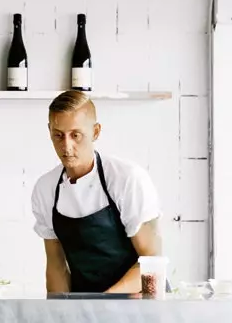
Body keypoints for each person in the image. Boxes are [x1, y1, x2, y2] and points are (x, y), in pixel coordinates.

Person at [31, 90, 163, 293]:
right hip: (86, 308)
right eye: (58, 135)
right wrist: (57, 314)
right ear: (49, 131)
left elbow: (153, 264)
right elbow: (57, 267)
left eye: (76, 135)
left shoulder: (127, 179)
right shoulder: (45, 188)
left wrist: (104, 302)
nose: (66, 146)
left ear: (95, 132)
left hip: (138, 305)